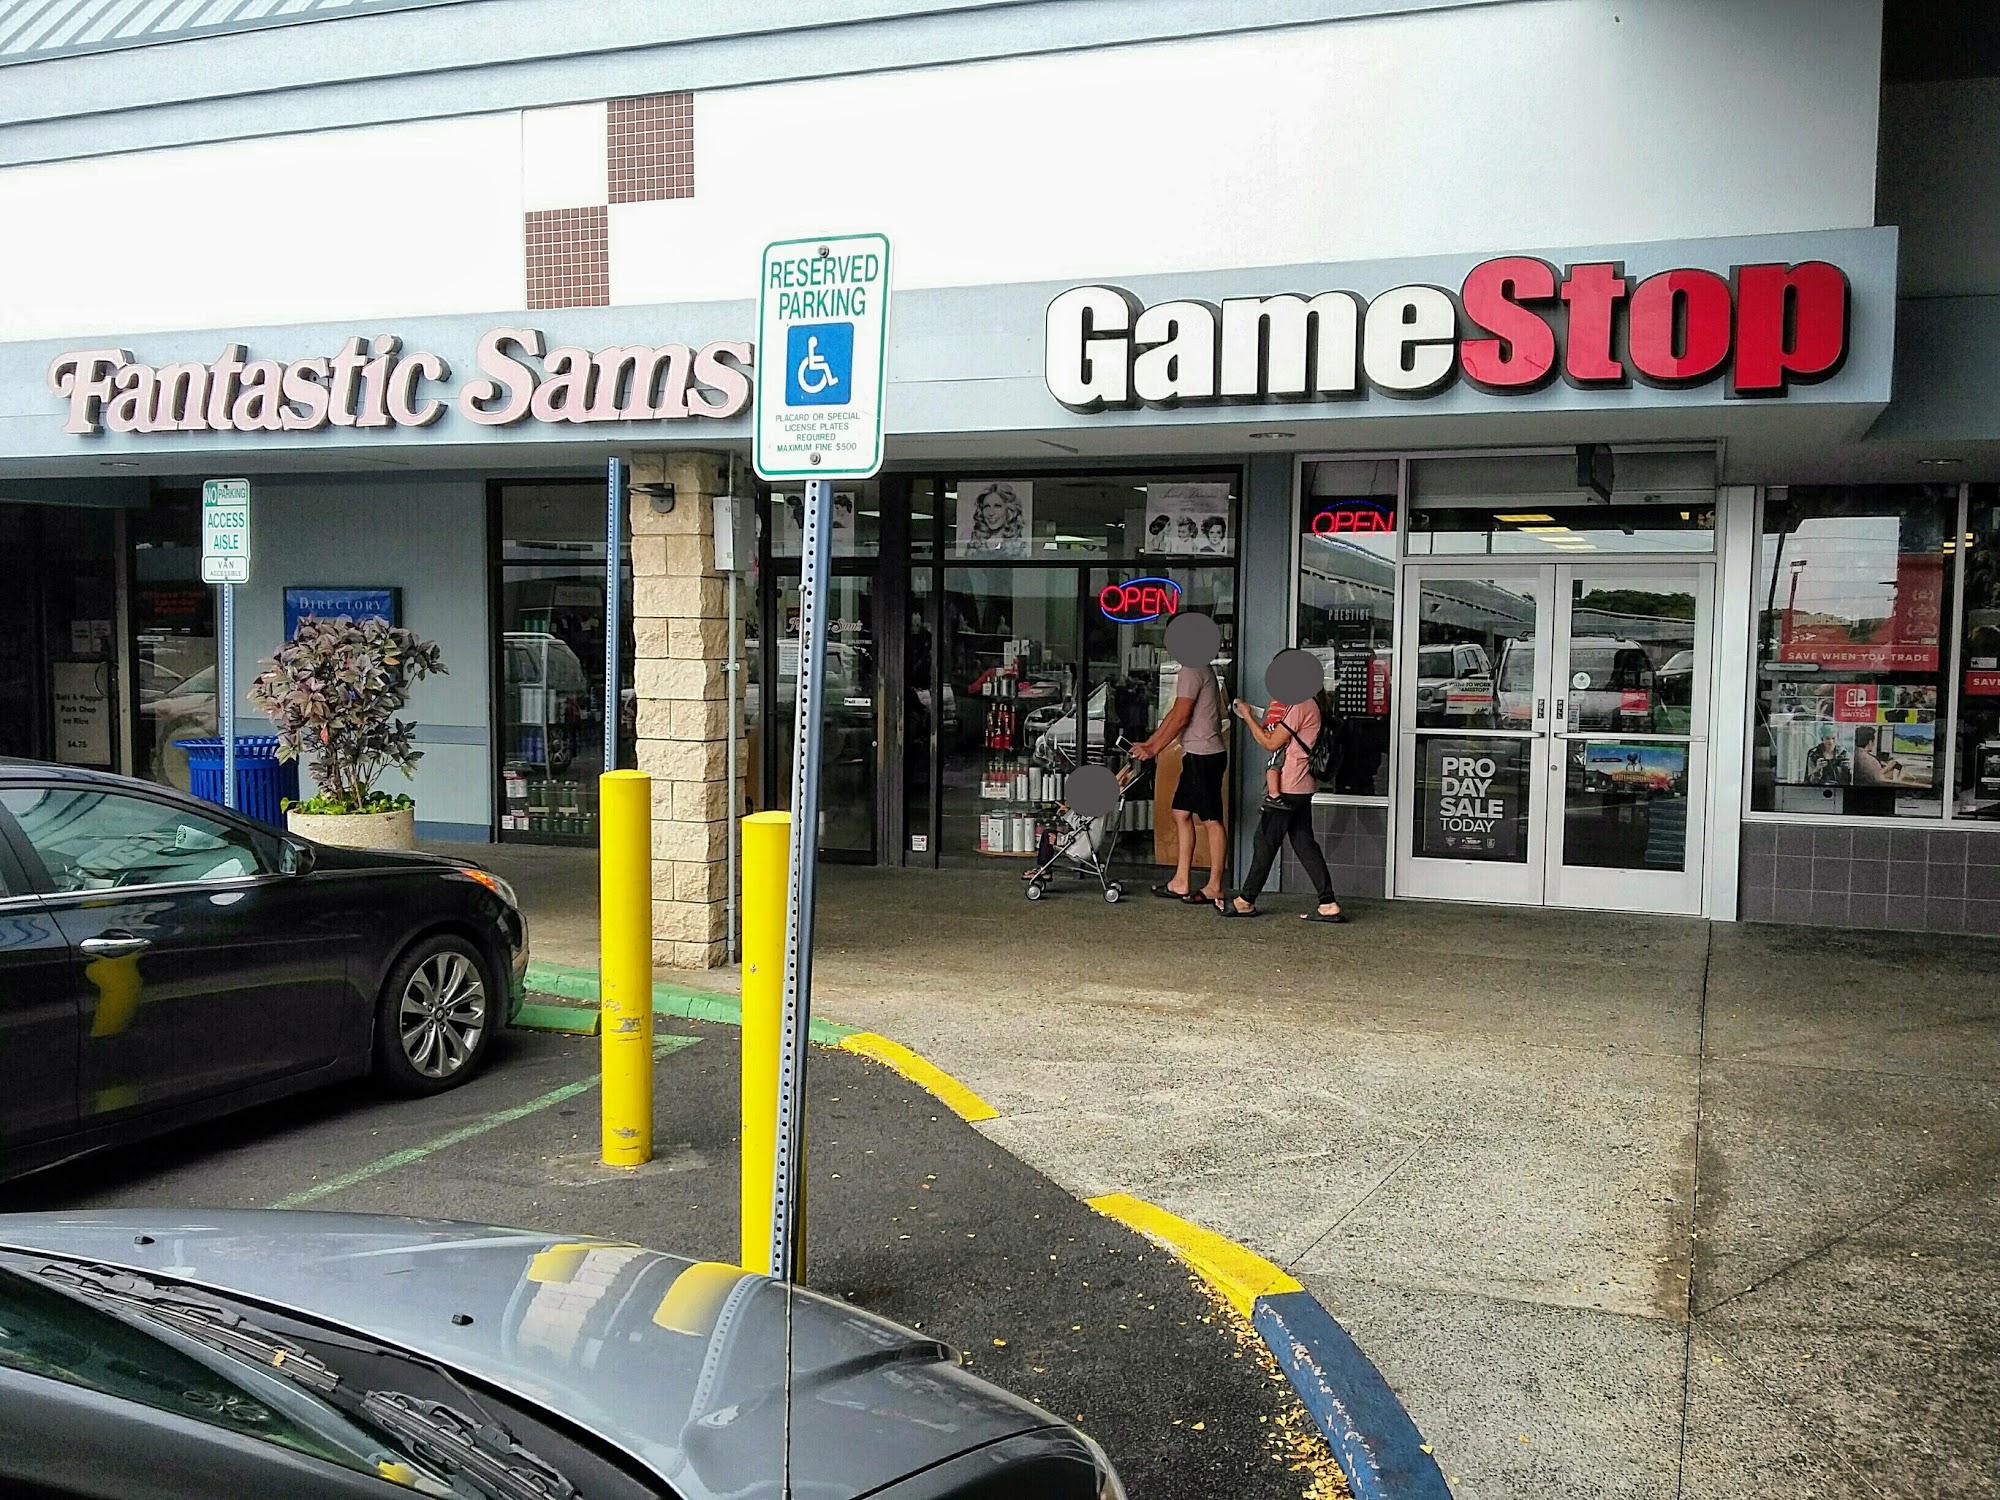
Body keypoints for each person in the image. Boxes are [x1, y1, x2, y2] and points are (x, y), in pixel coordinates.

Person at [1219, 688, 1344, 923]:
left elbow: (1270, 742)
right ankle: (1328, 902)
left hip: (1288, 787)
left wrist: (1247, 716)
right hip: (1303, 786)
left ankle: (1245, 900)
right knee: (1304, 844)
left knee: (1264, 842)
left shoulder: (1300, 704)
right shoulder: (1316, 703)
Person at [1130, 647, 1228, 904]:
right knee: (1181, 812)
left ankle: (1215, 886)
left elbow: (1182, 715)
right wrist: (1150, 743)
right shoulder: (1196, 667)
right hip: (1199, 754)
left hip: (1204, 755)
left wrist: (1154, 748)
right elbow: (1175, 712)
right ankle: (1181, 881)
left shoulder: (1193, 669)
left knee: (1211, 820)